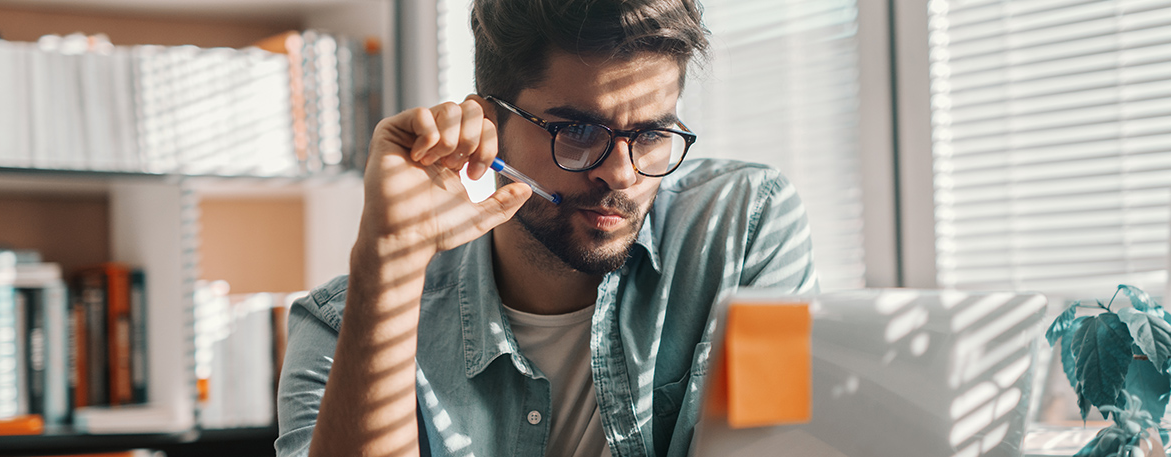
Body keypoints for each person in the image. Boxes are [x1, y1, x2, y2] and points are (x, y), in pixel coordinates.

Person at [275, 0, 817, 456]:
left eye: (651, 134)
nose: (622, 174)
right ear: (489, 125)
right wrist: (389, 259)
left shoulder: (742, 223)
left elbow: (779, 439)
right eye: (578, 130)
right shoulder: (342, 325)